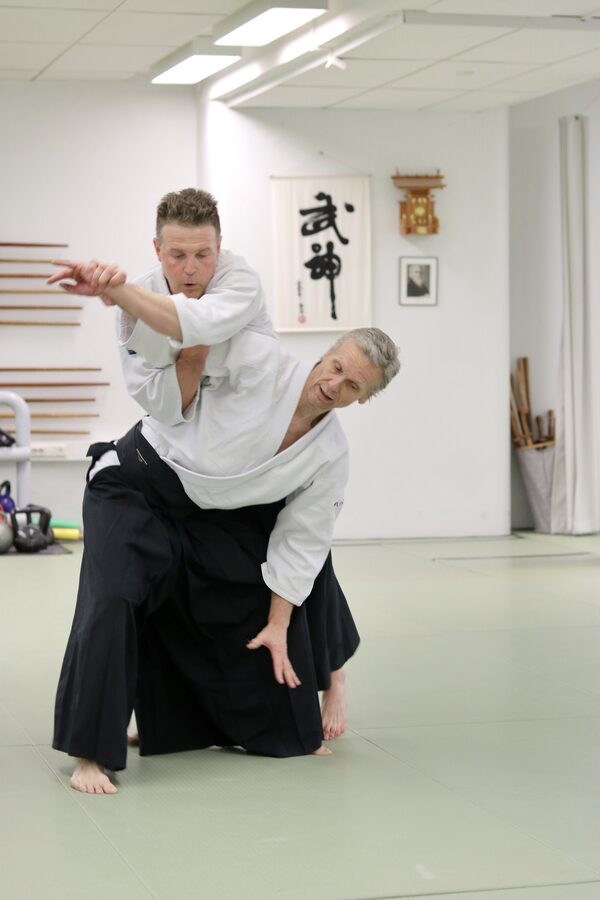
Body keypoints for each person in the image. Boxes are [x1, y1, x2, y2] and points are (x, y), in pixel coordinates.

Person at [49, 259, 400, 795]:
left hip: (205, 511)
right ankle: (89, 752)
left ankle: (244, 704)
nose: (333, 384)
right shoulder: (263, 360)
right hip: (137, 485)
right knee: (115, 595)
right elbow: (186, 333)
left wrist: (280, 625)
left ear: (365, 398)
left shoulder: (329, 453)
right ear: (327, 351)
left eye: (351, 385)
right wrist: (119, 296)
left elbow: (299, 543)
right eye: (334, 366)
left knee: (272, 578)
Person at [115, 188, 356, 741]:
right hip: (206, 456)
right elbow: (158, 396)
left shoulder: (239, 282)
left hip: (262, 451)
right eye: (178, 255)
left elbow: (194, 329)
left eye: (204, 254)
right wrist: (125, 299)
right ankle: (162, 707)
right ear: (157, 249)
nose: (192, 267)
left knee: (308, 556)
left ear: (220, 247)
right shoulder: (139, 299)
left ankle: (335, 677)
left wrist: (180, 340)